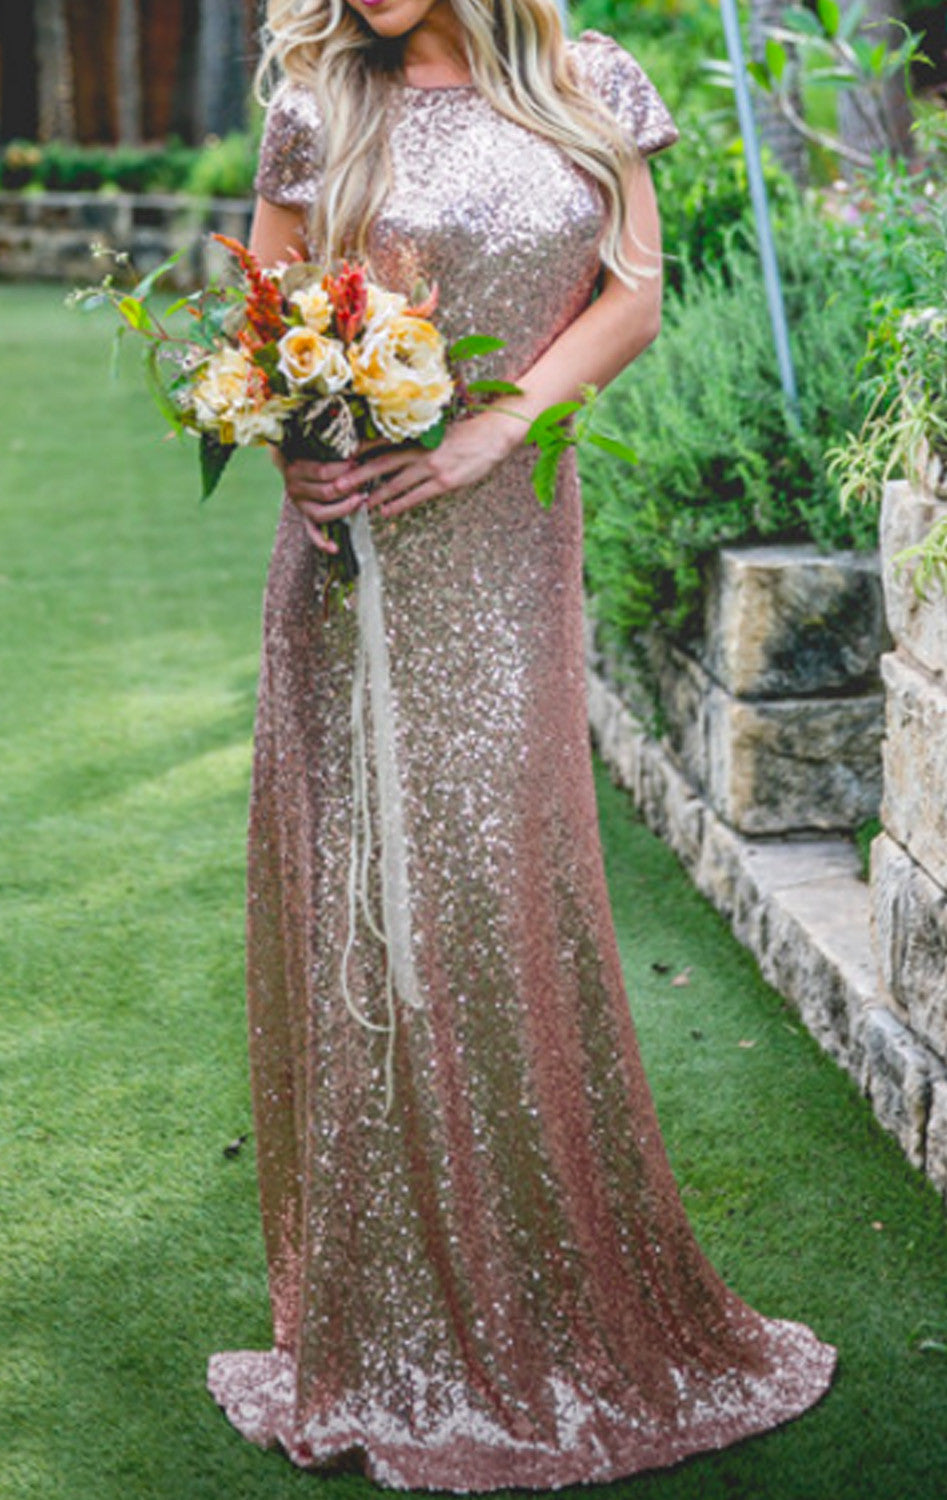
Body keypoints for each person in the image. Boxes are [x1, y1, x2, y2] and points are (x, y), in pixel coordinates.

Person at [206, 0, 837, 1488]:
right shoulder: (315, 95)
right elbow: (269, 301)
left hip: (501, 547)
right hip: (353, 553)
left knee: (492, 891)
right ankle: (377, 1324)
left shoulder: (589, 82)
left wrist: (504, 424)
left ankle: (536, 1292)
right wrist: (298, 444)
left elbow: (634, 295)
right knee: (365, 904)